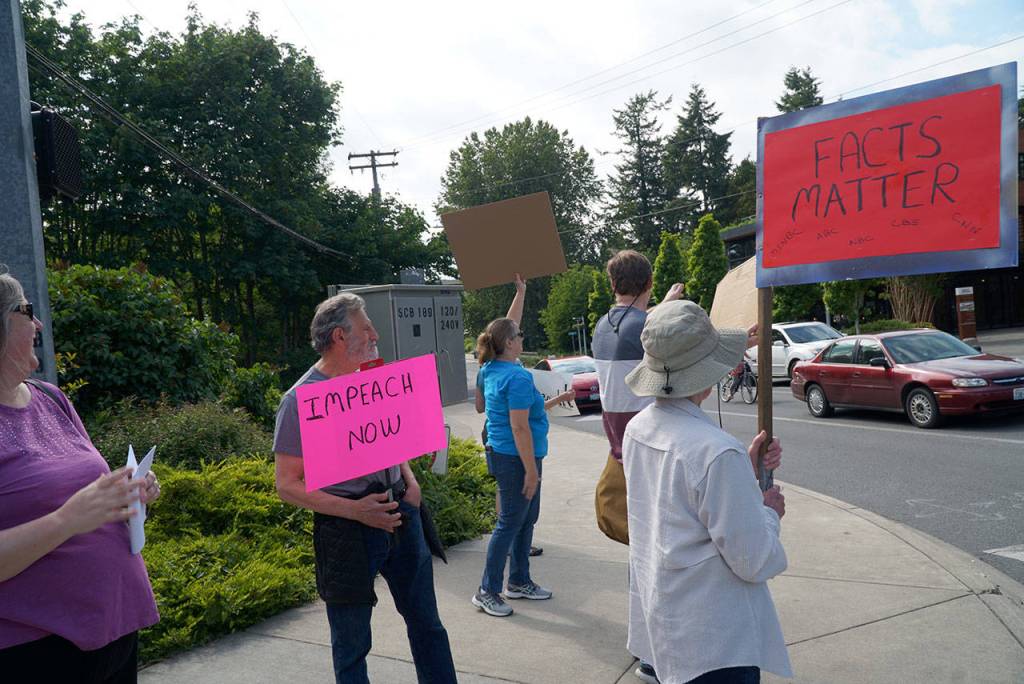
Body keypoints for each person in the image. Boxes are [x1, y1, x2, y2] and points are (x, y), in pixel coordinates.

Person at [273, 292, 457, 684]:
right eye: (366, 326)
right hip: (346, 531)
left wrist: (410, 480)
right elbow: (287, 485)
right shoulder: (300, 400)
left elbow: (389, 440)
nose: (375, 333)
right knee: (352, 645)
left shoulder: (372, 381)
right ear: (340, 336)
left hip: (400, 514)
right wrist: (356, 511)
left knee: (428, 626)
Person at [0, 272, 161, 683]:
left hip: (114, 626)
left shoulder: (52, 398)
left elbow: (90, 492)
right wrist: (66, 520)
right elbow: (70, 513)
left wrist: (129, 495)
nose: (37, 324)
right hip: (35, 650)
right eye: (27, 311)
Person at [622, 300, 791, 684]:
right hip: (715, 641)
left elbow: (677, 504)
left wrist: (744, 473)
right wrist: (768, 512)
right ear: (706, 372)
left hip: (668, 623)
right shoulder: (715, 451)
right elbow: (754, 559)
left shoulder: (638, 429)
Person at [590, 249, 683, 683]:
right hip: (650, 452)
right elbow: (669, 358)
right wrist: (667, 307)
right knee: (661, 558)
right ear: (648, 282)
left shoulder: (600, 327)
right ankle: (658, 653)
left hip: (620, 450)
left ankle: (647, 650)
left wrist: (659, 305)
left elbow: (633, 331)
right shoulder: (645, 325)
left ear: (613, 284)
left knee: (642, 558)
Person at [472, 276, 568, 618]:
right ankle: (487, 590)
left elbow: (480, 408)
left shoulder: (488, 369)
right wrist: (530, 470)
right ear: (510, 344)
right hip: (517, 458)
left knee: (524, 520)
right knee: (511, 522)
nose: (522, 337)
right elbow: (519, 426)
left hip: (501, 452)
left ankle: (519, 581)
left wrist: (521, 293)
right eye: (519, 336)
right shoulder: (517, 377)